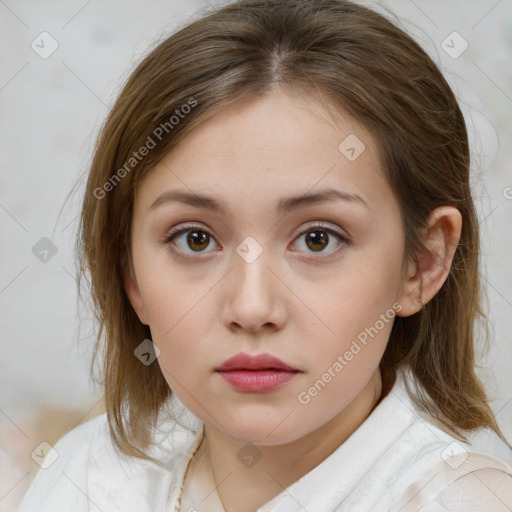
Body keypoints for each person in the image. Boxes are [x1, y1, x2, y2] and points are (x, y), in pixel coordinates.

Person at [17, 0, 512, 511]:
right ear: (131, 275)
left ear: (422, 264)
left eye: (318, 239)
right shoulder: (83, 477)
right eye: (195, 239)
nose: (252, 308)